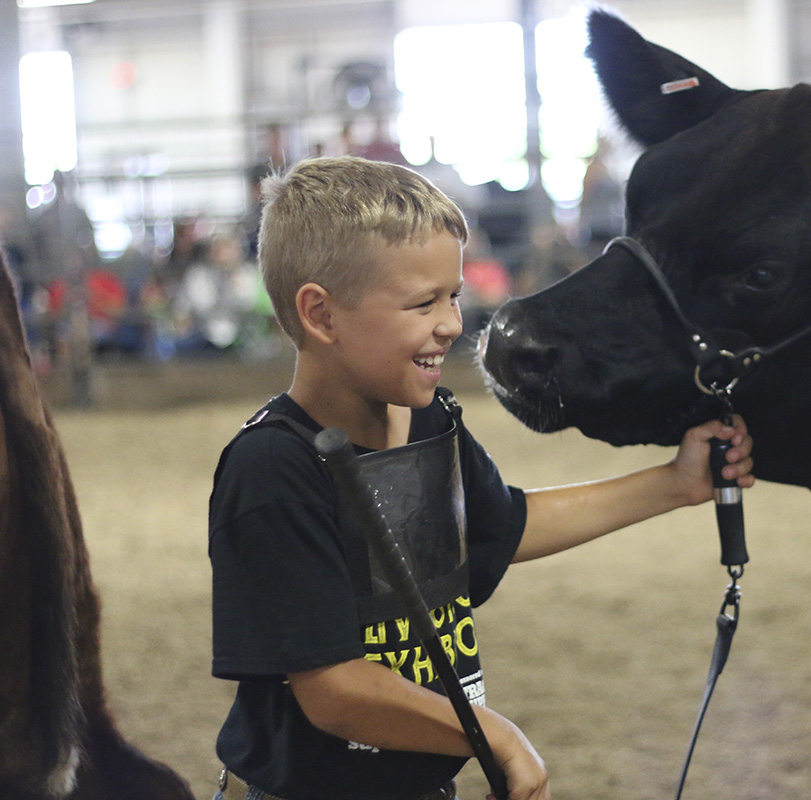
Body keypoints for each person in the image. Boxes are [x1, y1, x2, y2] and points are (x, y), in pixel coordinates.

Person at [208, 155, 755, 800]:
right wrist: (493, 735)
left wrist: (676, 483)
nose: (452, 323)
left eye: (454, 296)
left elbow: (502, 526)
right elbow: (335, 690)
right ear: (321, 315)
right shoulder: (273, 467)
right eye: (423, 303)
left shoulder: (430, 420)